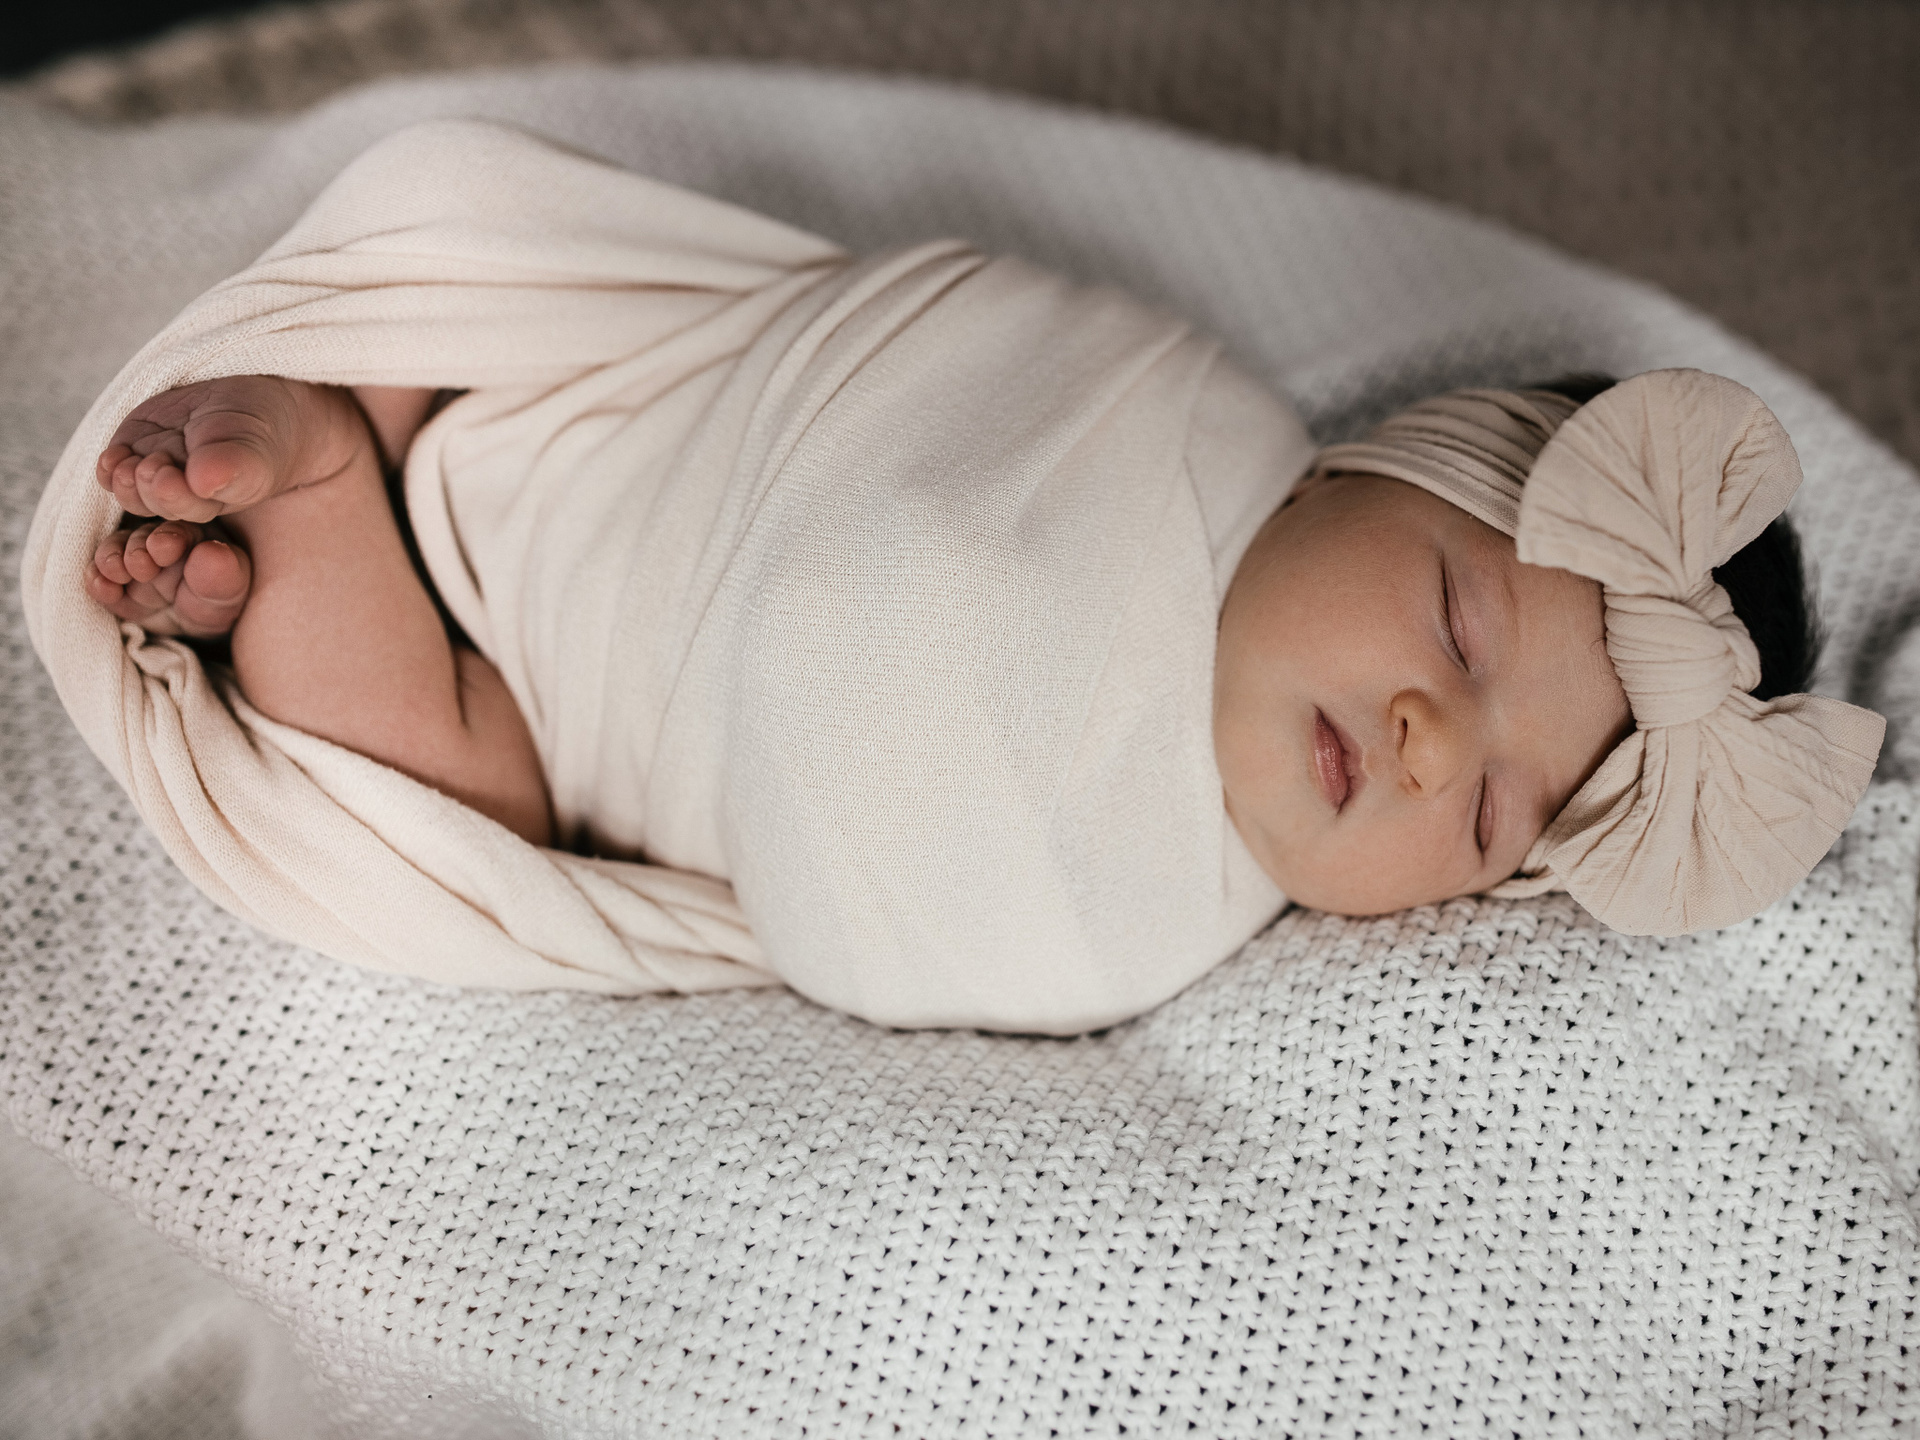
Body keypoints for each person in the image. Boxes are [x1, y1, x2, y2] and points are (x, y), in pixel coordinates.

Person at [39, 120, 1883, 1031]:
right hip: (614, 405)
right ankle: (356, 411)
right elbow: (915, 337)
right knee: (472, 229)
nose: (1422, 743)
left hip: (547, 718)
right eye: (1457, 627)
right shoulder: (1178, 402)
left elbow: (850, 932)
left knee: (436, 804)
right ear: (1358, 470)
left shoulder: (1162, 920)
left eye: (1484, 817)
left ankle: (319, 499)